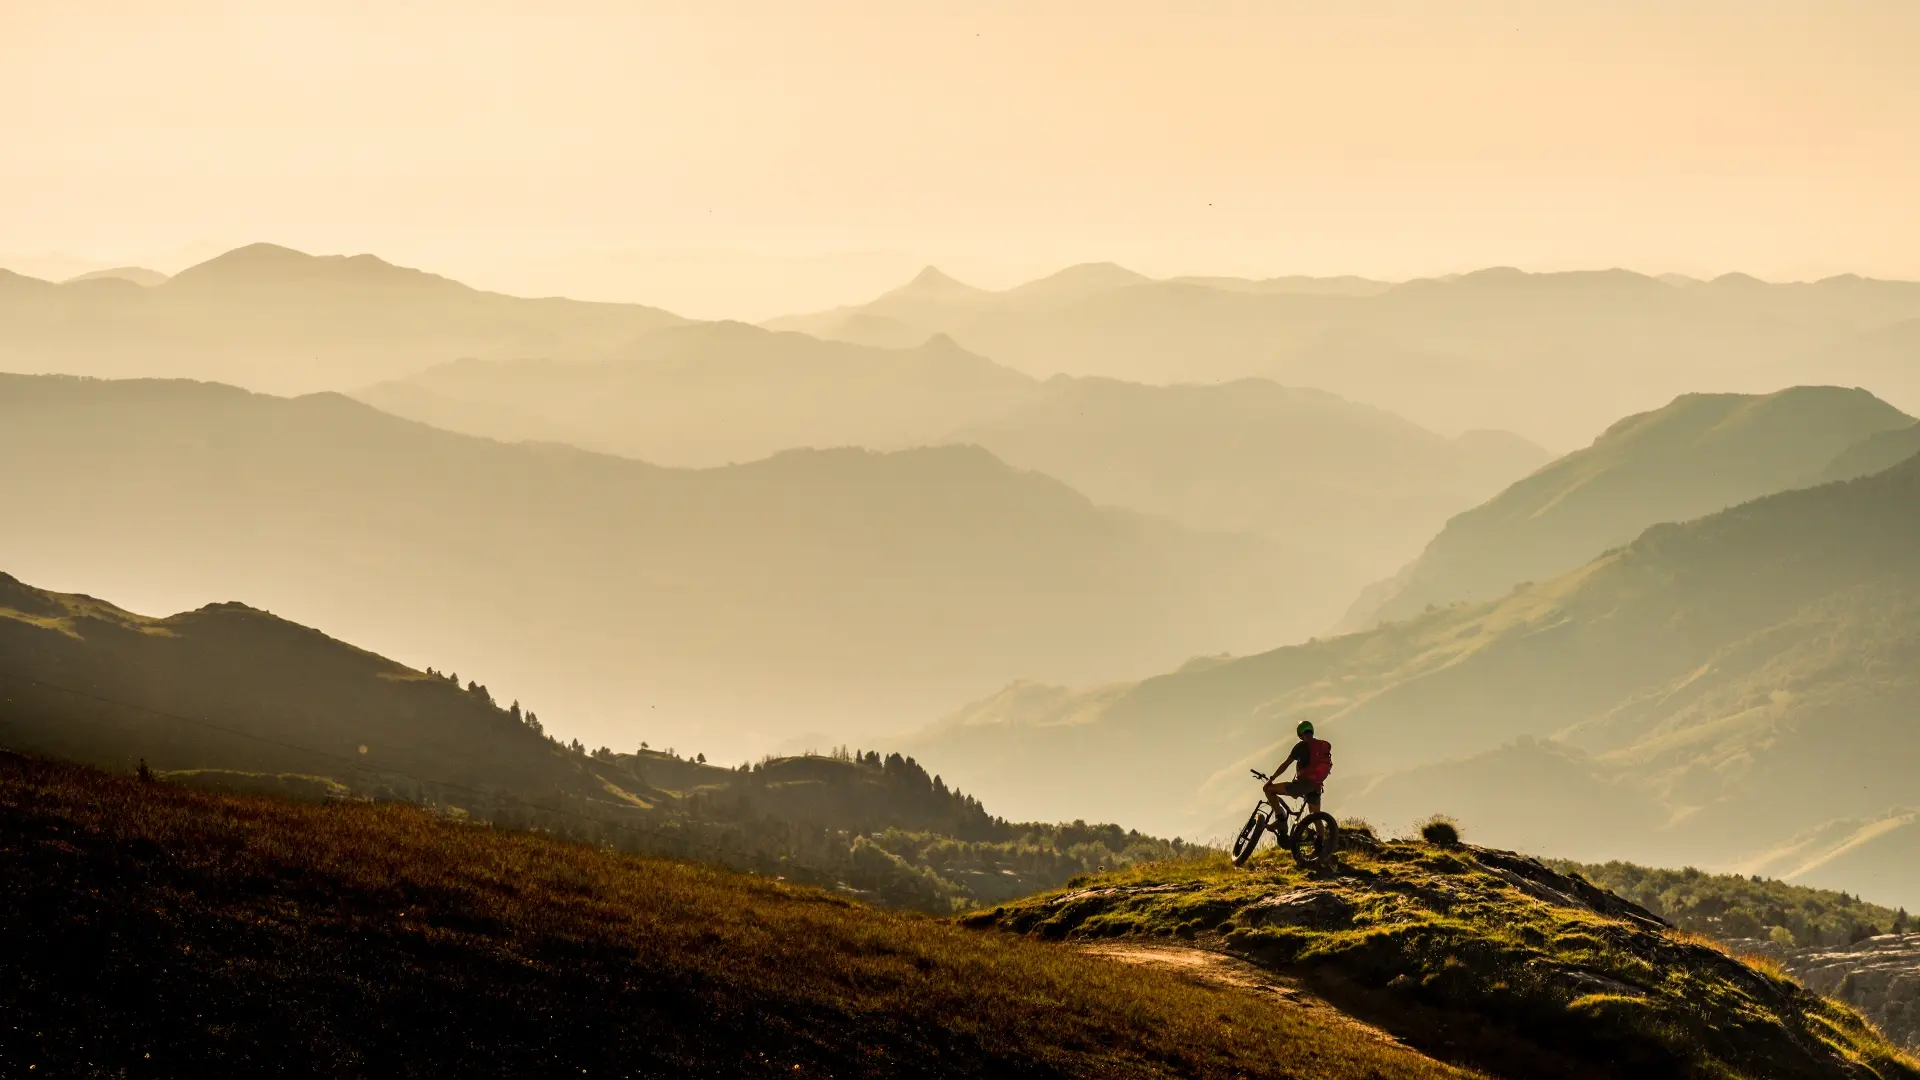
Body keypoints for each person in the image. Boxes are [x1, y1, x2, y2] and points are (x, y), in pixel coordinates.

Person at [1265, 720, 1332, 815]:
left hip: (1304, 785)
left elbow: (1286, 764)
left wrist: (1272, 778)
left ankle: (1280, 820)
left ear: (1300, 734)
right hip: (1317, 786)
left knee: (1268, 789)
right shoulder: (1320, 746)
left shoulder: (1301, 746)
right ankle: (1325, 830)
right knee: (1316, 816)